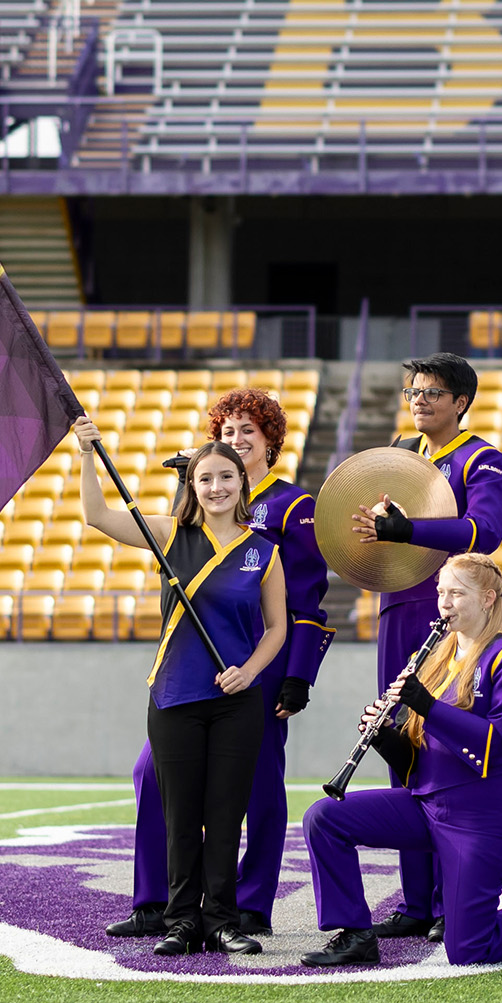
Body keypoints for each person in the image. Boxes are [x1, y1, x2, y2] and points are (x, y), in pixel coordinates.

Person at [107, 388, 332, 942]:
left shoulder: (293, 507)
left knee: (254, 790)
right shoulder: (208, 490)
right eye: (227, 433)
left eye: (248, 431)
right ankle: (157, 902)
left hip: (253, 671)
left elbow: (303, 603)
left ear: (271, 441)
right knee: (151, 776)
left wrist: (298, 674)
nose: (236, 441)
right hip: (188, 678)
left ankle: (248, 906)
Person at [299, 554, 502, 967]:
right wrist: (383, 737)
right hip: (423, 803)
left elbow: (496, 745)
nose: (444, 603)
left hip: (475, 816)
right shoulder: (433, 656)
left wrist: (428, 706)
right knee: (323, 817)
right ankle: (355, 933)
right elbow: (418, 758)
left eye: (455, 593)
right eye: (440, 593)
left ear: (487, 599)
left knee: (468, 949)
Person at [75, 421, 288, 956]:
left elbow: (277, 628)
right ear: (192, 488)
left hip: (237, 701)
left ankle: (222, 921)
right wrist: (85, 454)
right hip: (174, 698)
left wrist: (250, 671)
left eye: (225, 477)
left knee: (224, 816)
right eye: (204, 480)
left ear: (242, 482)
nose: (216, 488)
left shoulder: (264, 550)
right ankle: (181, 923)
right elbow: (97, 516)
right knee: (180, 818)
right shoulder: (170, 534)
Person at [348, 353, 502, 942]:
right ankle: (416, 900)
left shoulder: (481, 457)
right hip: (399, 610)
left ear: (460, 402)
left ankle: (448, 900)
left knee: (442, 749)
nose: (419, 400)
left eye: (433, 393)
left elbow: (484, 532)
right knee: (398, 747)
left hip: (451, 617)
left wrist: (407, 530)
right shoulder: (400, 454)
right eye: (414, 390)